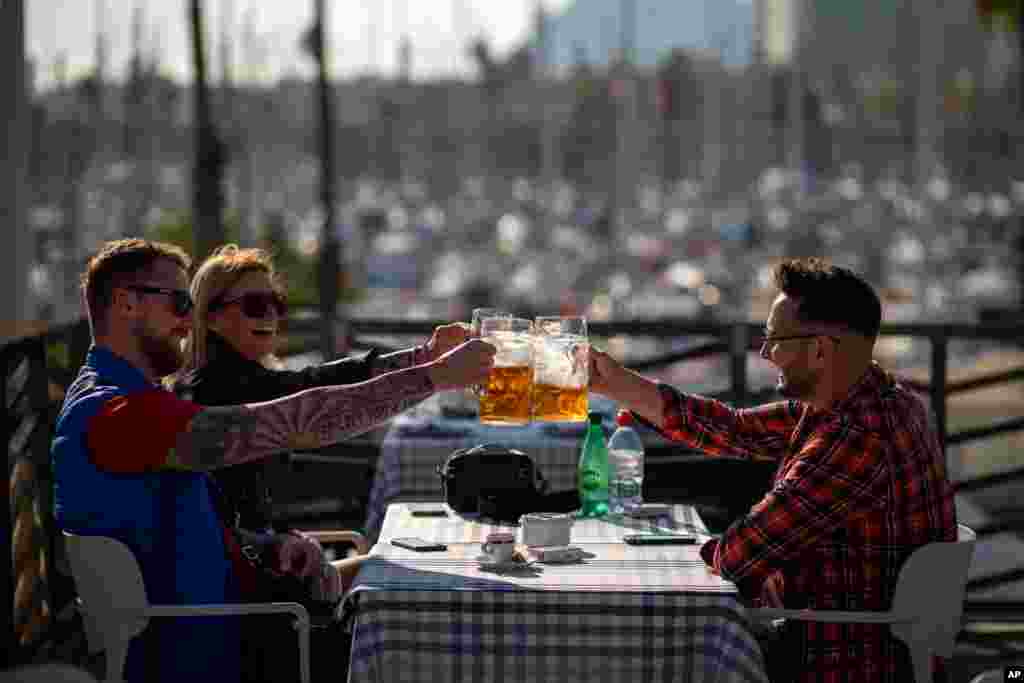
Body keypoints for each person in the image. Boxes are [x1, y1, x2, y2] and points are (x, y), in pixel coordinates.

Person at [51, 238, 495, 683]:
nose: (190, 318)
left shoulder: (119, 400)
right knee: (435, 620)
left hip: (241, 620)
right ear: (127, 304)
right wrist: (433, 376)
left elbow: (165, 525)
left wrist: (266, 545)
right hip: (232, 646)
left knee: (416, 596)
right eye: (179, 302)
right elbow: (292, 420)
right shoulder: (117, 414)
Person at [588, 257, 957, 683]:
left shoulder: (856, 438)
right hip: (851, 636)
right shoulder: (874, 400)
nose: (765, 353)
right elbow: (736, 430)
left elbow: (738, 556)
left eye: (775, 340)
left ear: (819, 349)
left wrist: (669, 558)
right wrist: (616, 384)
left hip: (838, 660)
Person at [170, 244, 471, 681]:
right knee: (419, 588)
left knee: (404, 572)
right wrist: (429, 367)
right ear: (211, 316)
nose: (270, 316)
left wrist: (424, 357)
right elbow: (318, 394)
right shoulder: (222, 387)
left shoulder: (219, 379)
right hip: (264, 609)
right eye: (254, 305)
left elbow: (315, 384)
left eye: (276, 303)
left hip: (264, 579)